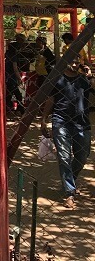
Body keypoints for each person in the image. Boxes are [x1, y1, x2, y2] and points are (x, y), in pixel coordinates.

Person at [40, 60, 94, 209]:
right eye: (73, 59)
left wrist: (90, 76)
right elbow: (50, 100)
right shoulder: (57, 78)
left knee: (82, 156)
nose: (75, 63)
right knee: (64, 157)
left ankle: (70, 180)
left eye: (78, 60)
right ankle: (69, 193)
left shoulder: (84, 79)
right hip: (61, 121)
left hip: (82, 123)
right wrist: (44, 119)